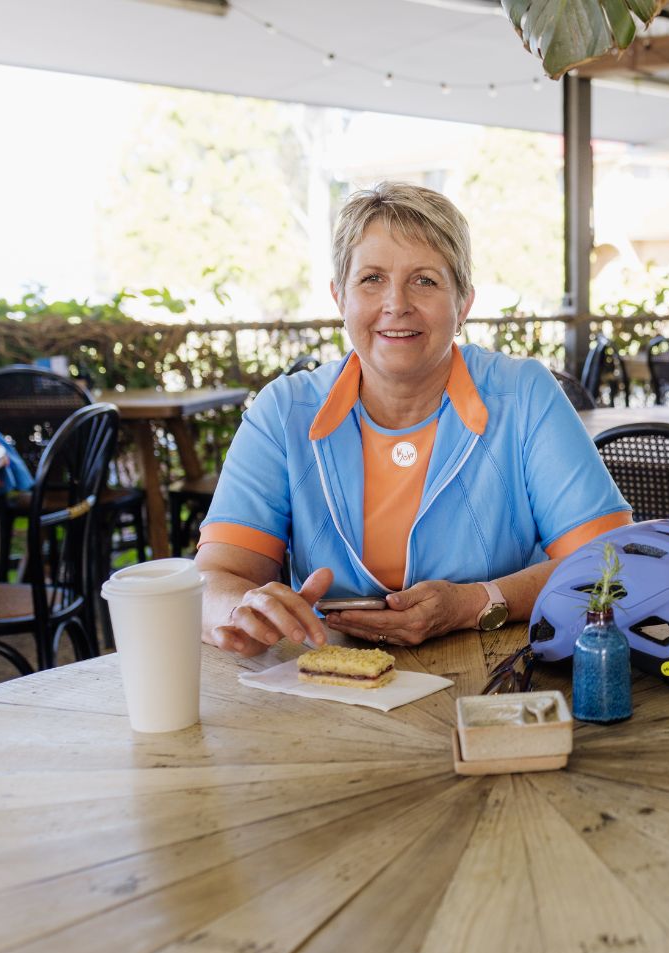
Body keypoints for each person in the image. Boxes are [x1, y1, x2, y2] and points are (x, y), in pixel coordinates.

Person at [196, 181, 630, 655]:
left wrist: (474, 603)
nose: (396, 303)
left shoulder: (524, 394)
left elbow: (608, 561)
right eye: (372, 279)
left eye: (425, 280)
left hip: (500, 680)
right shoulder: (283, 411)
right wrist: (240, 609)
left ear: (463, 303)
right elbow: (215, 578)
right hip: (325, 685)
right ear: (341, 298)